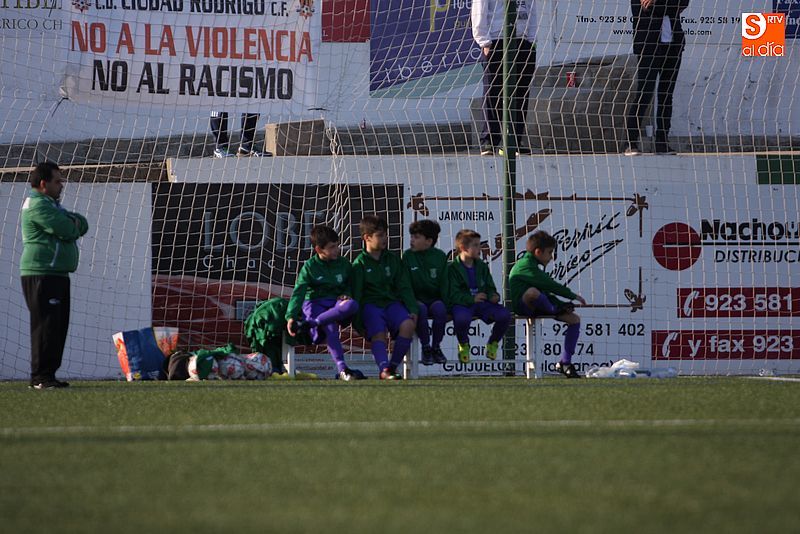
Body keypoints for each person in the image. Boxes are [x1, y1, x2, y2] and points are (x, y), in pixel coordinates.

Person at [20, 162, 89, 389]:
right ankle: (40, 377)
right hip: (42, 273)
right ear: (43, 184)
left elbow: (82, 223)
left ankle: (48, 374)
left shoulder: (52, 205)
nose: (61, 185)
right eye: (57, 181)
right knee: (46, 325)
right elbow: (68, 229)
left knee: (58, 326)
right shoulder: (37, 205)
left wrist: (72, 223)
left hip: (57, 274)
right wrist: (72, 225)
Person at [285, 225, 364, 381]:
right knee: (330, 327)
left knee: (352, 304)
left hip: (334, 305)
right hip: (314, 304)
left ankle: (311, 324)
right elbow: (299, 292)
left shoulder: (344, 264)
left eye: (337, 245)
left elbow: (349, 286)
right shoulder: (310, 267)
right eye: (332, 247)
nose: (337, 250)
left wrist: (346, 294)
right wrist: (291, 316)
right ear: (319, 250)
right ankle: (343, 369)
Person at [509, 231, 587, 378]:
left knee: (574, 319)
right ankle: (554, 309)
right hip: (524, 307)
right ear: (538, 252)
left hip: (541, 306)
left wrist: (561, 303)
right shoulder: (525, 265)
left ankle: (565, 363)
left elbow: (546, 293)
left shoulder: (535, 266)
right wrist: (572, 296)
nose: (552, 257)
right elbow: (549, 285)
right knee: (532, 292)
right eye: (550, 252)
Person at [351, 215, 418, 380]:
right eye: (380, 235)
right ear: (367, 238)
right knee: (378, 332)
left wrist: (412, 308)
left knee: (408, 325)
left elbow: (404, 287)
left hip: (391, 304)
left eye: (386, 235)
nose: (385, 239)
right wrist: (357, 322)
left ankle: (391, 368)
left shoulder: (393, 259)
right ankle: (383, 368)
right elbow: (356, 295)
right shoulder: (359, 264)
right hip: (371, 305)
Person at [624, 0, 690, 155]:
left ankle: (662, 143)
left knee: (666, 95)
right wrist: (668, 6)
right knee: (644, 94)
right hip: (649, 46)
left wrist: (658, 2)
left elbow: (683, 2)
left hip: (673, 46)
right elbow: (648, 9)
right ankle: (630, 143)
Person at [471, 0, 537, 156]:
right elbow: (479, 10)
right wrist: (484, 41)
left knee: (520, 93)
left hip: (522, 41)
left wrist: (531, 40)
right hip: (497, 40)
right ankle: (489, 141)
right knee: (494, 92)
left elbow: (532, 10)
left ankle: (514, 141)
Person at [445, 229, 511, 363]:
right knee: (461, 318)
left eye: (479, 244)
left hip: (482, 304)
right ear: (463, 248)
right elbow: (453, 294)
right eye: (475, 245)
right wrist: (471, 299)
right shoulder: (452, 268)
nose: (479, 248)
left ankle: (493, 343)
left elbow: (490, 287)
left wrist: (493, 295)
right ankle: (463, 344)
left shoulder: (482, 266)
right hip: (463, 304)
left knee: (505, 315)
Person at [402, 219, 449, 366]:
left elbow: (445, 284)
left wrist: (448, 304)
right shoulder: (407, 256)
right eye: (411, 236)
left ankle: (436, 347)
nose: (412, 240)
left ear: (429, 241)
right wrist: (410, 303)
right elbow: (405, 285)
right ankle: (426, 347)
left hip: (434, 299)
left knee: (440, 309)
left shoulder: (440, 256)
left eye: (416, 237)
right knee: (420, 309)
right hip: (417, 300)